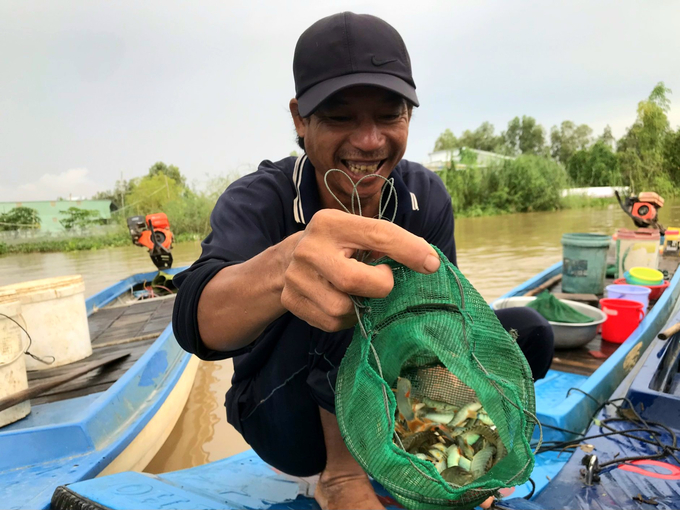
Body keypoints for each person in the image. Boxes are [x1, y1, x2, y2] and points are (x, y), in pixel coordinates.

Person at [173, 12, 554, 510]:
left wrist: (464, 438)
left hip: (386, 390)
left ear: (409, 116)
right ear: (299, 119)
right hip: (286, 416)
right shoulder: (259, 199)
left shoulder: (425, 197)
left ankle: (436, 452)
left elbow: (445, 330)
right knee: (354, 284)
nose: (369, 140)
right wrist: (288, 263)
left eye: (389, 114)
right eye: (340, 116)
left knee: (528, 333)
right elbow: (196, 323)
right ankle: (341, 476)